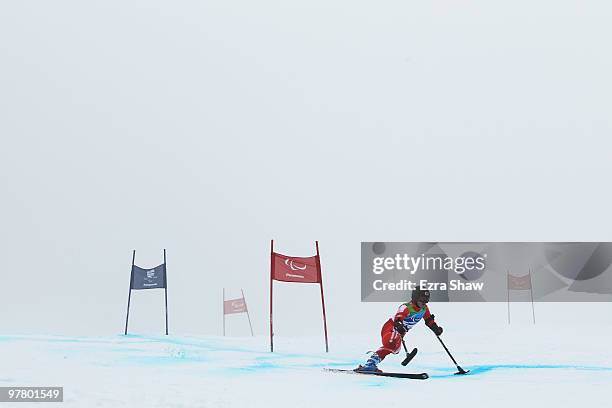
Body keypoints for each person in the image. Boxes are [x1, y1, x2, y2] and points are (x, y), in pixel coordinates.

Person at [357, 288, 443, 372]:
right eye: (422, 300)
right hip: (391, 328)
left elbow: (429, 320)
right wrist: (399, 326)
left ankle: (372, 364)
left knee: (395, 349)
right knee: (391, 344)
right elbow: (398, 320)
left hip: (400, 332)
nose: (424, 303)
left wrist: (436, 329)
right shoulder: (406, 307)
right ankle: (369, 365)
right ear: (415, 298)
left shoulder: (424, 309)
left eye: (426, 301)